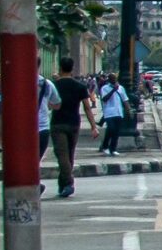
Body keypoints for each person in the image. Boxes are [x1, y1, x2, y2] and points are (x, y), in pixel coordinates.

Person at [47, 56, 90, 197]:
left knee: (62, 156)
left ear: (60, 68)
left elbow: (48, 104)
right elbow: (87, 107)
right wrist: (93, 125)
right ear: (72, 69)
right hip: (74, 123)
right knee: (69, 155)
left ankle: (68, 183)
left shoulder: (54, 85)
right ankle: (64, 185)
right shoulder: (80, 86)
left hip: (58, 123)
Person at [96, 74, 129, 155]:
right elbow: (104, 99)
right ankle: (105, 146)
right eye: (112, 78)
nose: (114, 80)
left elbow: (125, 99)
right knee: (111, 129)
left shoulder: (121, 88)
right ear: (109, 79)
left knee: (116, 131)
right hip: (109, 112)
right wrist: (113, 90)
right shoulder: (105, 88)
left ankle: (113, 148)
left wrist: (128, 109)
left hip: (118, 112)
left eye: (115, 78)